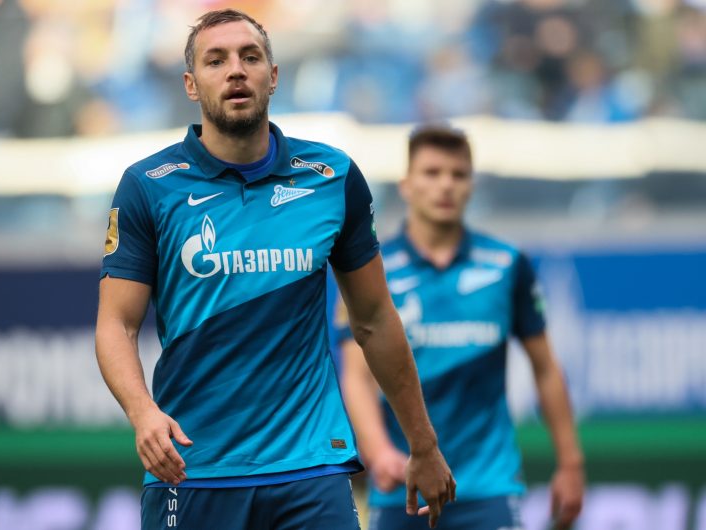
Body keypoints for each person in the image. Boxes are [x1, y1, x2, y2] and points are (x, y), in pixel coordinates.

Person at [94, 9, 454, 530]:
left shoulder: (331, 177)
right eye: (216, 61)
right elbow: (116, 324)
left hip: (311, 466)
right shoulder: (149, 186)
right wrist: (142, 412)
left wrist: (423, 443)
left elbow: (375, 318)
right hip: (193, 467)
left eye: (250, 57)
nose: (236, 70)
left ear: (273, 75)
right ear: (191, 85)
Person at [342, 126, 585, 530]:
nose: (446, 185)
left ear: (472, 185)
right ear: (406, 185)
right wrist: (379, 451)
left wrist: (571, 463)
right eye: (432, 172)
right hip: (405, 487)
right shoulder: (371, 271)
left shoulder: (507, 265)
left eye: (458, 174)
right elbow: (357, 375)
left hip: (488, 487)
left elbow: (545, 368)